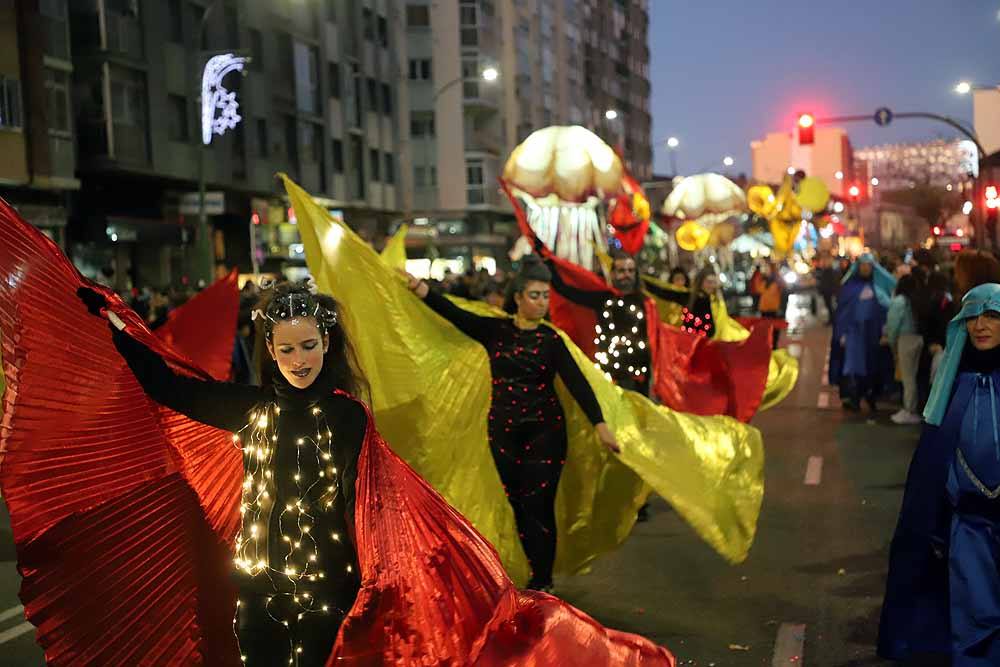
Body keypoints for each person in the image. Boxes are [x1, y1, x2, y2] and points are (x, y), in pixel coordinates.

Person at [84, 281, 366, 666]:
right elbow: (166, 387)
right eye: (286, 349)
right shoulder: (251, 407)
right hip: (258, 594)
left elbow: (364, 507)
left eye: (308, 346)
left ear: (326, 344)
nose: (298, 360)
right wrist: (116, 322)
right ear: (270, 350)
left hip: (327, 593)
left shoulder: (349, 416)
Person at [403, 257, 620, 591]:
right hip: (504, 431)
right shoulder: (495, 331)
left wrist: (600, 424)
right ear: (517, 297)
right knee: (517, 504)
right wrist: (421, 289)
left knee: (539, 504)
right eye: (535, 295)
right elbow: (454, 315)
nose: (542, 303)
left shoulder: (552, 340)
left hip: (545, 432)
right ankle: (531, 571)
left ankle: (542, 581)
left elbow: (578, 383)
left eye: (545, 296)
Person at [879, 283, 1000, 665]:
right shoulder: (954, 386)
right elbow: (935, 458)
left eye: (992, 316)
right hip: (969, 525)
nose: (980, 325)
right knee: (974, 614)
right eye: (972, 317)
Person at [546, 249, 657, 394]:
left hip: (638, 373)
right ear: (613, 274)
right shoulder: (604, 298)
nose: (627, 275)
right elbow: (567, 291)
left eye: (630, 270)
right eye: (621, 270)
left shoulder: (646, 303)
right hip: (609, 372)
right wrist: (549, 262)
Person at [830, 253, 895, 413]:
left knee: (873, 366)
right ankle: (854, 398)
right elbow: (843, 313)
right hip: (854, 335)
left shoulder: (878, 288)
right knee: (853, 367)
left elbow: (887, 309)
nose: (866, 268)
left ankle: (871, 396)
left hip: (873, 335)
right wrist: (843, 333)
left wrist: (886, 329)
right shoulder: (849, 288)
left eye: (868, 266)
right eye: (863, 265)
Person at [885, 274, 923, 425]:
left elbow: (893, 324)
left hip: (905, 339)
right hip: (919, 338)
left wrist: (891, 341)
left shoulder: (899, 301)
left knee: (907, 377)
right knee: (914, 376)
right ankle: (912, 408)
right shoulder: (917, 300)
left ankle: (909, 410)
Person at [757, 264, 784, 349]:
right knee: (765, 329)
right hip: (764, 309)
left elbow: (783, 290)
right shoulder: (764, 281)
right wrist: (759, 277)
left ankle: (773, 346)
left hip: (773, 309)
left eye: (768, 269)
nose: (766, 271)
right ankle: (767, 345)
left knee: (774, 329)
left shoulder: (777, 281)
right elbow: (758, 289)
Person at [816, 255, 840, 325]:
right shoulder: (826, 271)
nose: (822, 263)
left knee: (830, 306)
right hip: (827, 292)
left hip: (829, 292)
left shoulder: (829, 271)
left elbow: (831, 282)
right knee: (829, 306)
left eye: (823, 262)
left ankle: (832, 320)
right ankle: (832, 319)